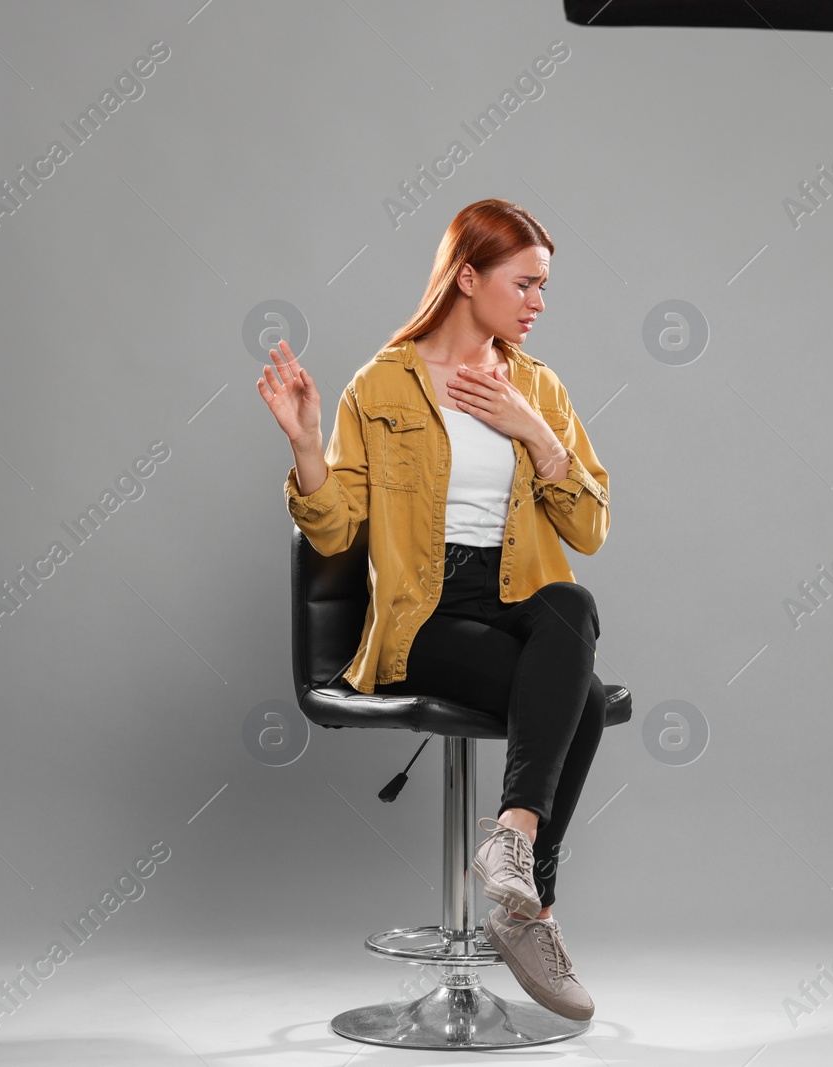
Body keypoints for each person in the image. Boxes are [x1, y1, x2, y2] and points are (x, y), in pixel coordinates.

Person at [257, 199, 610, 1022]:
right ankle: (536, 911)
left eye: (544, 287)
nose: (538, 303)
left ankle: (510, 847)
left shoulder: (539, 386)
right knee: (583, 699)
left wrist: (535, 434)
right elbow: (339, 532)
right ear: (468, 277)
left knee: (573, 602)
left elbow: (588, 526)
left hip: (517, 595)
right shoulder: (380, 384)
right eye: (525, 283)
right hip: (423, 617)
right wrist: (308, 448)